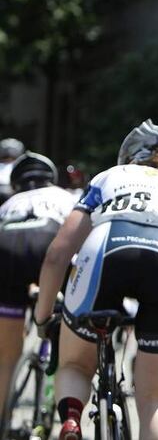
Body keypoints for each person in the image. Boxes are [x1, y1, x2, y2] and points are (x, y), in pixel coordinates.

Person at [32, 120, 158, 440]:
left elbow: (57, 254)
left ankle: (72, 419)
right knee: (156, 399)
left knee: (75, 365)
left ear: (128, 156)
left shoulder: (109, 178)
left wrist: (42, 316)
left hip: (105, 252)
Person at [0, 152, 75, 416]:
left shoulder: (10, 203)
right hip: (49, 243)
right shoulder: (66, 197)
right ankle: (63, 405)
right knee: (71, 343)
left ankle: (2, 419)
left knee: (5, 357)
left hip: (7, 248)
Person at [0, 138, 25, 203]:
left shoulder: (21, 167)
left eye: (12, 157)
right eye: (6, 157)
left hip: (17, 198)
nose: (9, 159)